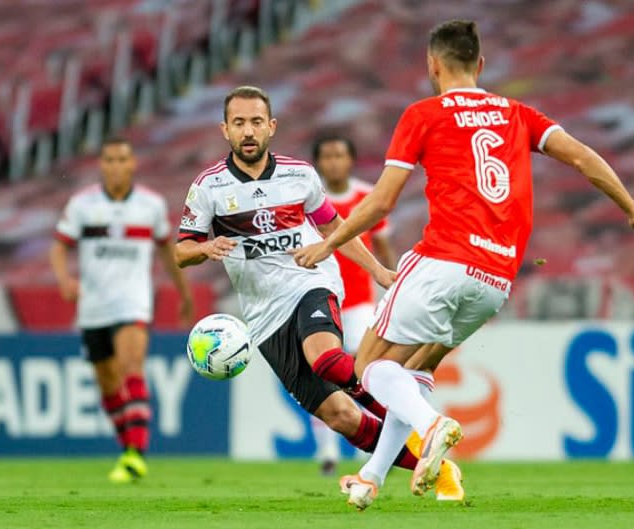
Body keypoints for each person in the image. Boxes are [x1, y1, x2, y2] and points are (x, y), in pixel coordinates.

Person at [293, 19, 634, 509]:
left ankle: (433, 426)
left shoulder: (424, 114)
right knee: (415, 370)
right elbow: (581, 156)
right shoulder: (517, 113)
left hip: (443, 259)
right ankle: (370, 477)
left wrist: (331, 242)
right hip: (495, 279)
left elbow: (383, 201)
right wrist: (632, 209)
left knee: (369, 367)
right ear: (482, 64)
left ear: (432, 64)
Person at [175, 86, 462, 496]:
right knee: (342, 417)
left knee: (326, 357)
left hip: (311, 282)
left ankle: (426, 422)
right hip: (264, 317)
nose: (249, 131)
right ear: (225, 130)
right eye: (239, 123)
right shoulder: (209, 188)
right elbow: (181, 251)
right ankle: (437, 467)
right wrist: (203, 247)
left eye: (257, 121)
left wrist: (378, 270)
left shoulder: (299, 175)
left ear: (272, 126)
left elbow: (334, 230)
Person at [50, 137, 195, 483]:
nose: (116, 165)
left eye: (122, 159)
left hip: (133, 302)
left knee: (132, 368)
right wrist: (64, 280)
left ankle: (136, 453)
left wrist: (184, 292)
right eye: (110, 159)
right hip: (93, 306)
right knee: (108, 383)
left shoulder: (151, 205)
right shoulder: (82, 204)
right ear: (102, 165)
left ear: (133, 165)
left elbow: (167, 251)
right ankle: (127, 448)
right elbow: (59, 247)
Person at [309, 135, 397, 476]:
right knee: (323, 374)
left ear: (351, 160)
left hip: (360, 301)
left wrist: (390, 287)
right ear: (318, 162)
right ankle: (327, 451)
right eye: (327, 155)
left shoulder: (367, 197)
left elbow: (383, 247)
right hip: (320, 297)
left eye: (339, 155)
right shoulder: (307, 200)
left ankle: (368, 449)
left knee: (365, 373)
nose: (333, 162)